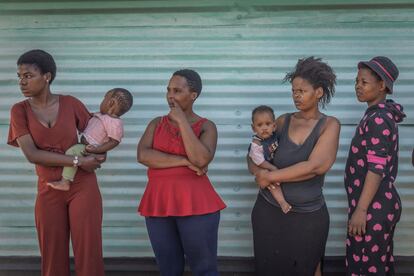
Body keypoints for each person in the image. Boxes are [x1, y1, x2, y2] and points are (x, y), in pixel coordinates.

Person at [7, 49, 106, 276]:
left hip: (83, 186)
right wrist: (79, 160)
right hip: (48, 187)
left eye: (28, 76)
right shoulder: (19, 111)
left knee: (89, 251)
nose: (22, 82)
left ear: (47, 77)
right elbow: (32, 154)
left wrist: (98, 155)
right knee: (52, 255)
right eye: (19, 76)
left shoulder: (71, 104)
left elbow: (98, 136)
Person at [248, 57, 341, 276]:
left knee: (308, 269)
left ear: (318, 92)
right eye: (293, 90)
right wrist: (258, 171)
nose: (296, 95)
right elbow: (254, 152)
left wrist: (270, 177)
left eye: (302, 90)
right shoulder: (282, 121)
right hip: (269, 211)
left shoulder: (329, 125)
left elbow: (315, 166)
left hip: (308, 217)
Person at [137, 69, 226, 275]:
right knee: (168, 269)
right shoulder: (156, 123)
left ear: (193, 95)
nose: (170, 95)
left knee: (204, 268)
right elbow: (143, 155)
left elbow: (201, 159)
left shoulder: (207, 126)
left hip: (197, 205)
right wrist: (184, 161)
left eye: (177, 90)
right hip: (158, 203)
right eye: (168, 90)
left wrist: (182, 121)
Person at [345, 56, 405, 275]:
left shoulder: (379, 119)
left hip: (373, 207)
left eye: (364, 82)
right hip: (375, 205)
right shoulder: (376, 115)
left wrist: (361, 210)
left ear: (382, 86)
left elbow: (376, 167)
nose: (358, 86)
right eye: (356, 81)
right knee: (376, 264)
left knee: (366, 266)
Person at [47, 88, 133, 191]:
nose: (102, 102)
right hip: (86, 146)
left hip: (90, 149)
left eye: (104, 99)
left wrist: (96, 150)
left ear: (111, 103)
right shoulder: (102, 116)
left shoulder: (114, 122)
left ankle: (65, 181)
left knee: (72, 152)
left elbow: (114, 142)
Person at [249, 105, 291, 213]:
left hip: (273, 164)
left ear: (274, 126)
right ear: (253, 128)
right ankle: (282, 202)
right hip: (265, 166)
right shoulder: (256, 144)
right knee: (272, 185)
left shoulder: (275, 136)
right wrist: (273, 168)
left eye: (268, 124)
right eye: (259, 125)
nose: (264, 128)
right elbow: (259, 161)